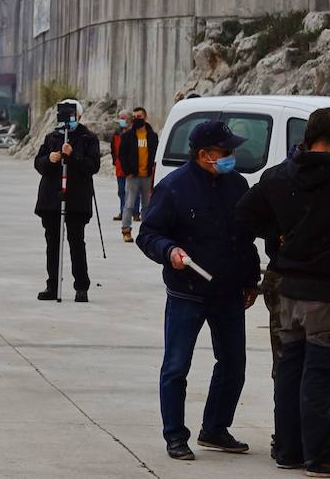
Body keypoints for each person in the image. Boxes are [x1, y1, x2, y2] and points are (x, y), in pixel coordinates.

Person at [136, 120, 260, 462]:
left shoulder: (238, 185)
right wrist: (169, 252)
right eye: (226, 151)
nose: (231, 156)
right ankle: (175, 435)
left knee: (233, 364)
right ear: (205, 155)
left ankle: (215, 428)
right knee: (176, 366)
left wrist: (250, 280)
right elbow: (148, 234)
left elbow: (244, 239)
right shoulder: (173, 188)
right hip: (186, 293)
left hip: (228, 293)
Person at [235, 108, 330, 474]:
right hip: (323, 291)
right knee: (320, 372)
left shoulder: (279, 175)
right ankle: (319, 455)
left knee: (289, 368)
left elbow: (243, 214)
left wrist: (277, 236)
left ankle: (288, 449)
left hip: (287, 286)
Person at [33, 99, 100, 302]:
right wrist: (50, 159)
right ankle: (52, 285)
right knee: (52, 243)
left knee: (76, 243)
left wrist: (72, 157)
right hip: (52, 199)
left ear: (79, 117)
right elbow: (38, 163)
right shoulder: (52, 137)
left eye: (71, 117)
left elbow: (93, 166)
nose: (67, 121)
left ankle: (81, 286)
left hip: (76, 200)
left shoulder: (88, 138)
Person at [118, 106, 158, 242]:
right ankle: (126, 230)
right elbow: (122, 155)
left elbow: (155, 154)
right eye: (134, 117)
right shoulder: (127, 136)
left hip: (147, 176)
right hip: (132, 177)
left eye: (139, 117)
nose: (136, 120)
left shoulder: (152, 136)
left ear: (145, 117)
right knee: (129, 204)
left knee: (147, 206)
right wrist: (127, 172)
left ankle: (146, 232)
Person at [111, 110, 132, 221]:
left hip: (131, 169)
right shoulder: (116, 134)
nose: (121, 120)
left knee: (133, 192)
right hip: (120, 168)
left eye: (123, 118)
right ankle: (123, 211)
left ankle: (135, 212)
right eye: (120, 118)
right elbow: (113, 149)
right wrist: (115, 161)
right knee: (121, 191)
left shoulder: (134, 133)